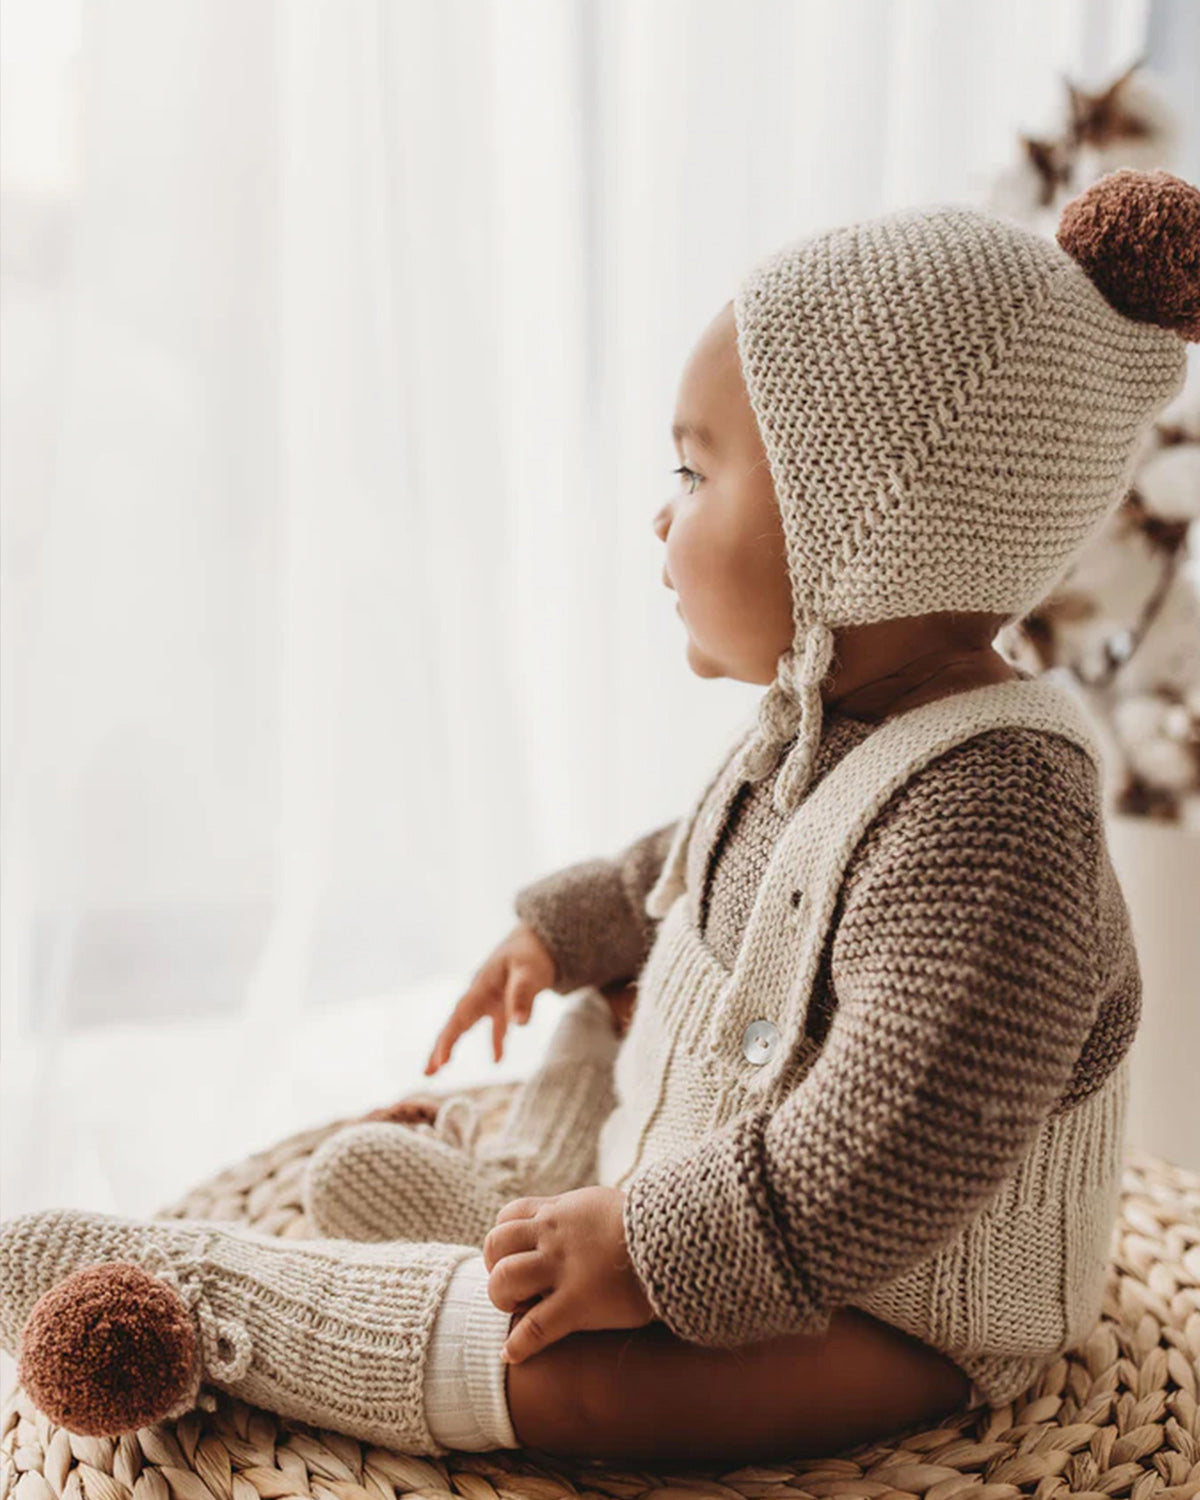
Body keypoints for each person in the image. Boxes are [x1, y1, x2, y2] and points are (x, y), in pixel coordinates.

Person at [2, 167, 1197, 1468]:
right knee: (624, 997)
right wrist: (563, 932)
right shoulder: (833, 718)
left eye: (693, 471)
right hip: (739, 1185)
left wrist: (640, 1247)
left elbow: (894, 1146)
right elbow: (699, 866)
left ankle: (208, 1307)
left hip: (903, 1301)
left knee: (585, 1384)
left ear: (863, 530)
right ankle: (527, 1185)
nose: (659, 512)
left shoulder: (1000, 822)